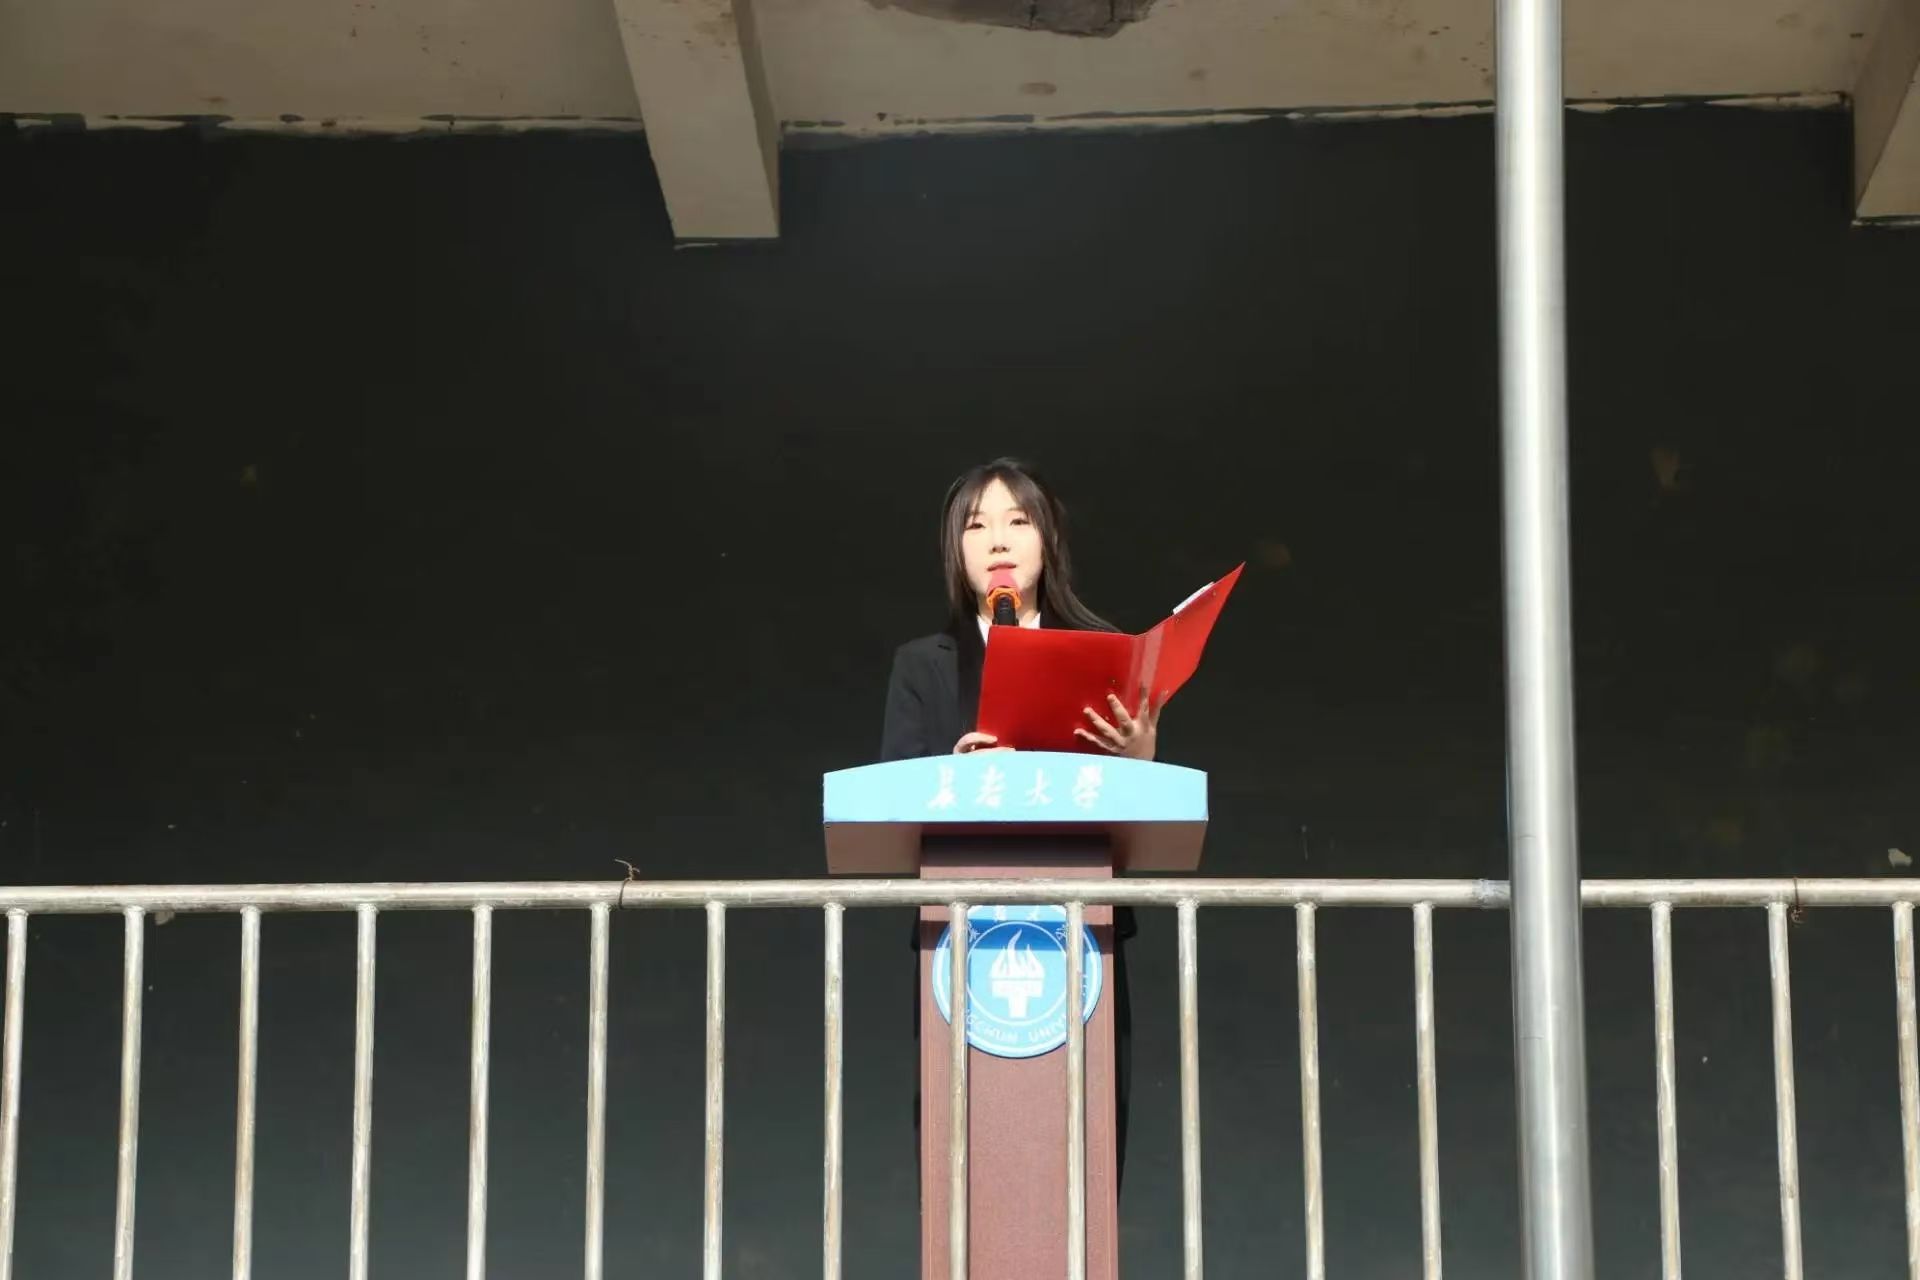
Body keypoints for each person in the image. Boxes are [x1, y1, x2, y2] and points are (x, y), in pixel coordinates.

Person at [880, 456, 1158, 1188]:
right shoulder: (923, 666)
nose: (998, 540)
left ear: (1048, 540)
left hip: (1083, 934)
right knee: (966, 1160)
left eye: (1017, 521)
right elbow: (888, 800)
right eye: (976, 526)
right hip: (958, 937)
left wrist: (1140, 757)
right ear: (955, 550)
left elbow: (1136, 818)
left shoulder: (1103, 652)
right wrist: (954, 776)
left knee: (1084, 1152)